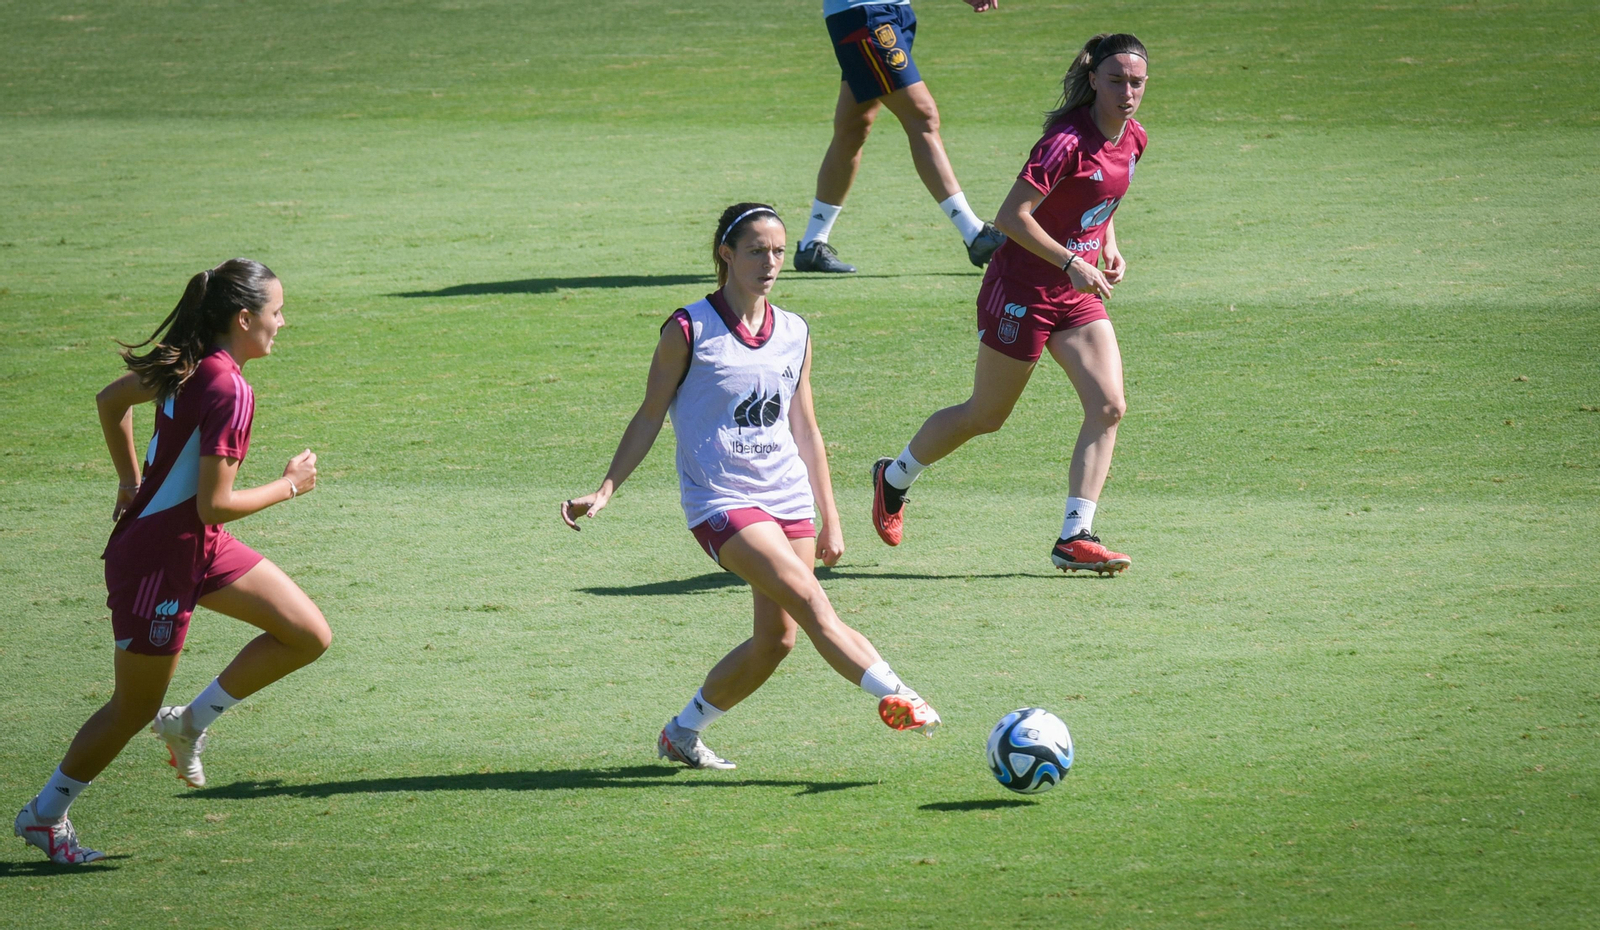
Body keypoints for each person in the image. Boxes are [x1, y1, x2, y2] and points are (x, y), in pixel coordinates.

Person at [562, 203, 941, 770]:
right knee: (812, 600)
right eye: (756, 250)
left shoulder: (794, 332)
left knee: (777, 640)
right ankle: (897, 692)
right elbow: (648, 415)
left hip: (788, 498)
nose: (770, 263)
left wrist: (830, 519)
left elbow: (806, 429)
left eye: (779, 251)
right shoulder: (688, 328)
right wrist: (607, 488)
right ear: (726, 254)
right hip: (722, 502)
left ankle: (682, 732)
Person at [14, 259, 330, 865]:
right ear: (244, 318)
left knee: (307, 634)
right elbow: (215, 505)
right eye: (276, 312)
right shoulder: (230, 389)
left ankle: (188, 722)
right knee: (131, 707)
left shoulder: (189, 363)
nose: (283, 323)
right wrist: (291, 485)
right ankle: (45, 814)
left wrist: (131, 484)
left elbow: (110, 402)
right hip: (160, 561)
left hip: (193, 547)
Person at [869, 33, 1149, 575]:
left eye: (1136, 81)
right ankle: (894, 477)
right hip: (1022, 290)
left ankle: (1076, 534)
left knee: (1109, 405)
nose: (1127, 91)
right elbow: (1011, 217)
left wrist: (1109, 246)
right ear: (1093, 80)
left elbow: (1102, 201)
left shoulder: (1134, 138)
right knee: (986, 415)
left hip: (1075, 296)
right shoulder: (1065, 141)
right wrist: (1073, 261)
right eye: (1116, 80)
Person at [794, 0, 1007, 273]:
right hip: (865, 15)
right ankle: (975, 234)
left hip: (889, 12)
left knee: (853, 128)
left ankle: (812, 245)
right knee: (923, 115)